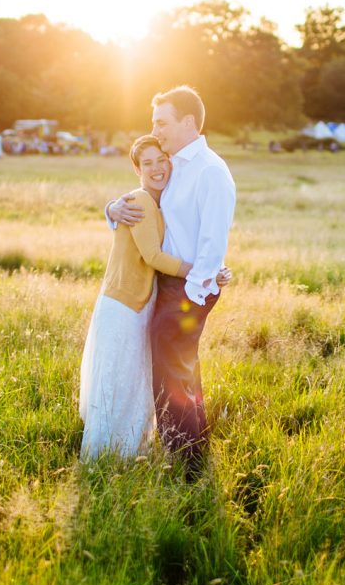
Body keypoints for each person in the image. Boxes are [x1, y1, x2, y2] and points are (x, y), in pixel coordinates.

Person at [106, 86, 236, 475]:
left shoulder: (210, 171)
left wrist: (197, 289)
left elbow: (213, 238)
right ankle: (195, 453)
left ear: (188, 122)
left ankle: (184, 464)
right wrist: (112, 209)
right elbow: (149, 196)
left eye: (161, 122)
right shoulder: (177, 164)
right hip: (172, 285)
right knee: (182, 370)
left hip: (188, 289)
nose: (155, 130)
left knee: (169, 374)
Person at [79, 135, 230, 460]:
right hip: (123, 304)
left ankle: (130, 451)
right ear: (137, 170)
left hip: (139, 303)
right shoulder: (140, 201)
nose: (157, 168)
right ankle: (104, 457)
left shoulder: (164, 202)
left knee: (134, 380)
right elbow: (154, 256)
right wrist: (204, 273)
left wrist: (212, 269)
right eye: (147, 163)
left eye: (162, 160)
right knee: (118, 382)